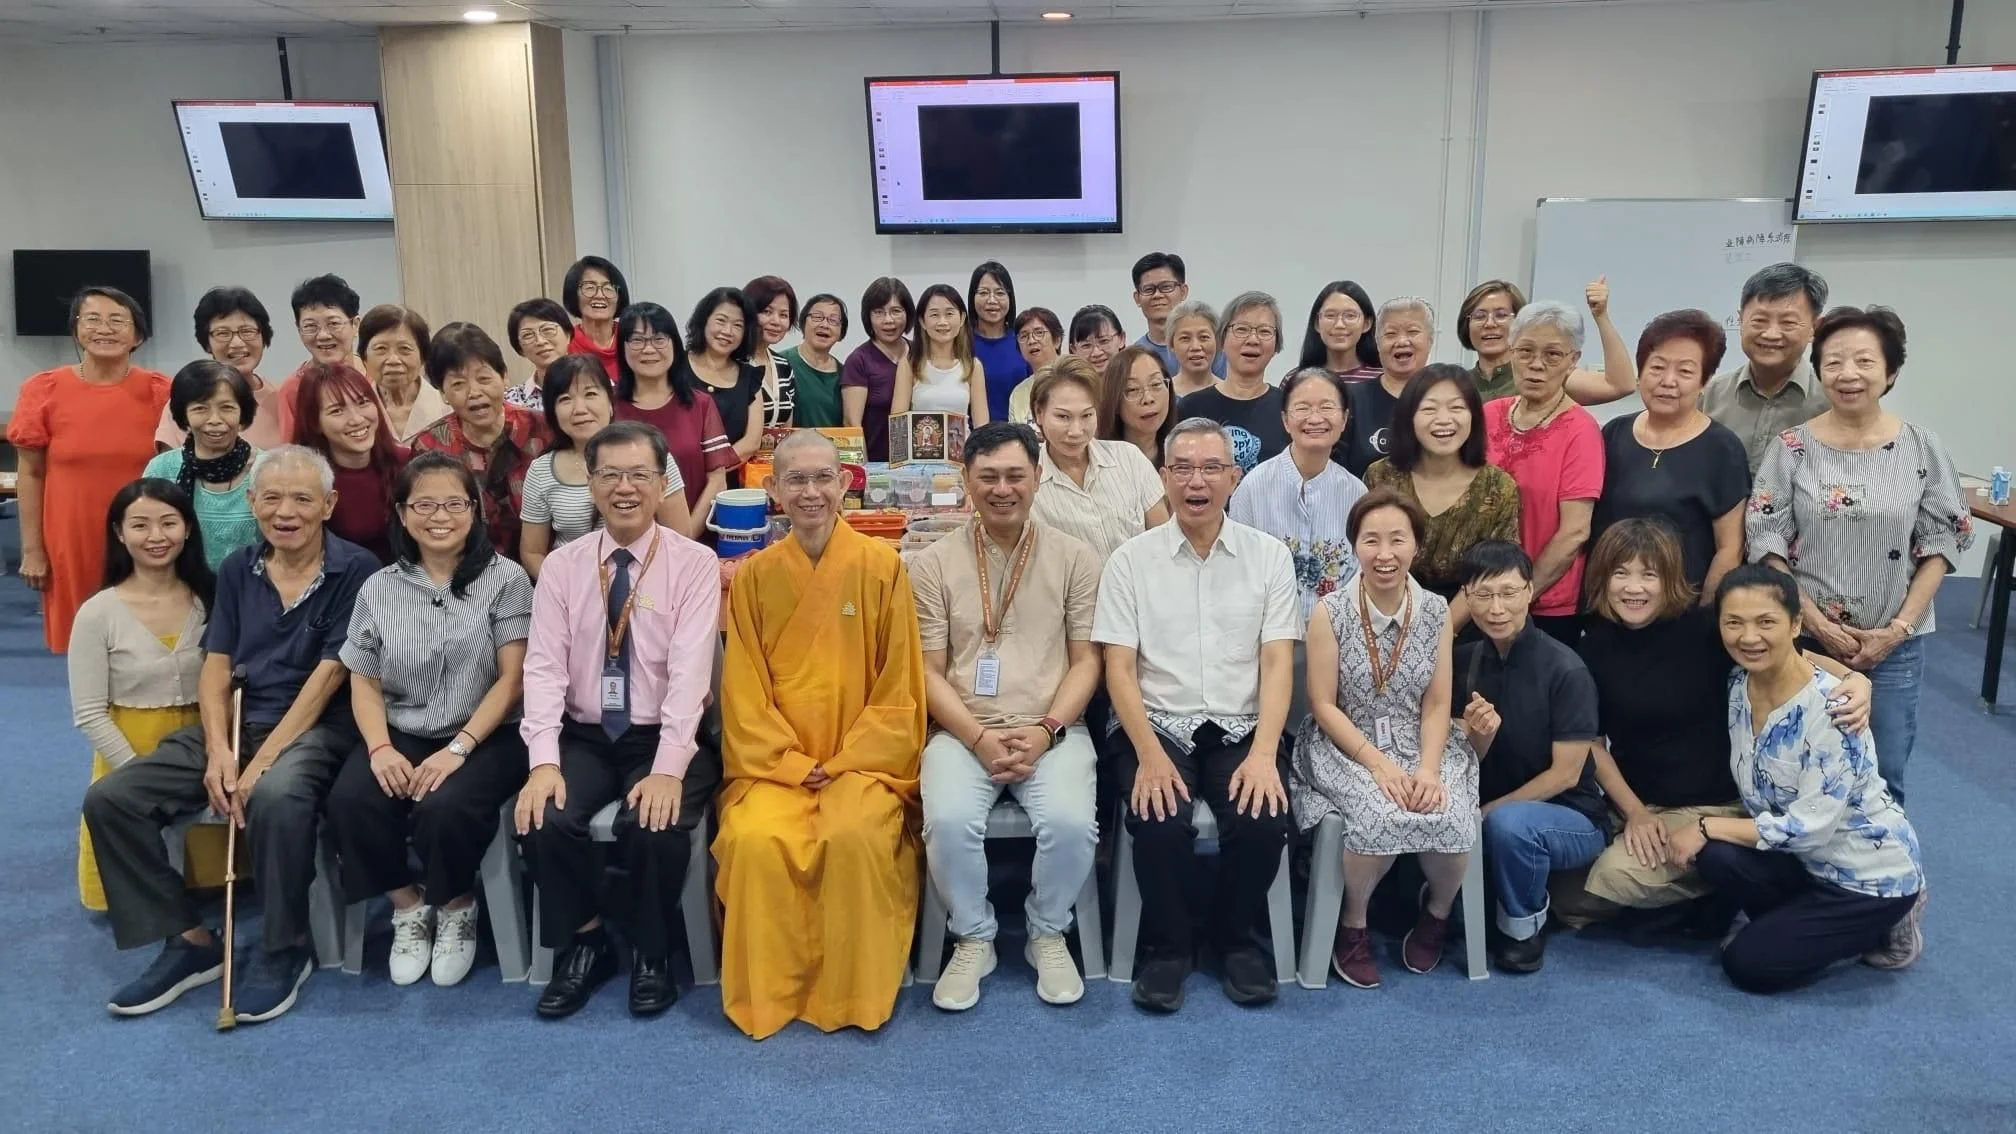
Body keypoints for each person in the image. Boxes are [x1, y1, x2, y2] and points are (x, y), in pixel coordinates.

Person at [82, 445, 378, 1021]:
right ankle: (189, 940)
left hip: (317, 727)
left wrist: (259, 762)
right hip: (239, 719)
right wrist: (218, 749)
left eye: (301, 498)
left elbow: (327, 677)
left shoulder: (358, 570)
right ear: (252, 503)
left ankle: (283, 946)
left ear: (328, 505)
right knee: (112, 799)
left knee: (275, 795)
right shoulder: (240, 568)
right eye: (271, 498)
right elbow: (217, 664)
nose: (285, 511)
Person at [715, 430, 927, 1039]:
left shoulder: (881, 567)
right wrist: (785, 762)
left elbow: (899, 687)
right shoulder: (753, 577)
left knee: (855, 835)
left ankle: (852, 993)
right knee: (755, 839)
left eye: (822, 478)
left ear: (844, 483)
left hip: (860, 765)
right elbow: (743, 692)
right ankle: (772, 994)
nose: (810, 492)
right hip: (775, 767)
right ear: (773, 490)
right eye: (795, 480)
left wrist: (847, 760)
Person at [514, 421, 724, 1019]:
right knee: (543, 817)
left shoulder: (693, 563)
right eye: (609, 474)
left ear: (662, 484)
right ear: (590, 482)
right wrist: (543, 763)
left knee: (653, 825)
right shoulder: (563, 565)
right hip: (584, 733)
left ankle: (653, 952)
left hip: (666, 734)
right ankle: (587, 941)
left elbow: (689, 676)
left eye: (640, 475)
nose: (624, 487)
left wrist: (666, 771)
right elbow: (544, 669)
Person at [1093, 418, 1300, 1012]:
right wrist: (1151, 758)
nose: (1196, 481)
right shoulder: (1131, 561)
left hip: (1242, 723)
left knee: (1262, 817)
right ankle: (1168, 947)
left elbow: (1278, 665)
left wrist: (1264, 754)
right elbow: (1119, 671)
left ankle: (1236, 939)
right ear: (1163, 478)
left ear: (1234, 478)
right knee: (1158, 815)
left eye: (1211, 468)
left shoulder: (1267, 558)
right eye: (1181, 468)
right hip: (1153, 721)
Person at [1573, 521, 1870, 925]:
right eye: (1620, 573)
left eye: (1649, 574)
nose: (1633, 588)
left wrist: (1855, 679)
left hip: (1711, 802)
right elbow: (1592, 742)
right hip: (1638, 802)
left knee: (1612, 878)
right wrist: (1636, 813)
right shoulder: (1594, 646)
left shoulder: (1708, 630)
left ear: (1670, 578)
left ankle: (1726, 882)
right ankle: (1705, 896)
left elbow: (1791, 659)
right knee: (1564, 893)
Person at [911, 423, 1103, 1010]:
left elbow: (1086, 662)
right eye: (988, 476)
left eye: (1016, 475)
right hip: (961, 731)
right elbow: (927, 673)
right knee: (945, 822)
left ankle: (1047, 930)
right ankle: (974, 935)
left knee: (1071, 823)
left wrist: (1046, 731)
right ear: (966, 480)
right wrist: (975, 736)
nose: (1002, 488)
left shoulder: (1076, 557)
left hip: (1053, 727)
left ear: (1038, 479)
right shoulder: (930, 563)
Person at [1666, 564, 1926, 992]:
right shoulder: (1738, 685)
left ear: (1796, 625)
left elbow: (1810, 829)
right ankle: (1802, 924)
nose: (1749, 637)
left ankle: (1891, 919)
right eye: (1734, 623)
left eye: (1766, 622)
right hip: (1807, 865)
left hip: (1865, 877)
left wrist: (1703, 825)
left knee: (1748, 965)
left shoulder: (1834, 711)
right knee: (1718, 857)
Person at [1747, 305, 1972, 800]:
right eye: (1834, 362)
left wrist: (1897, 630)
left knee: (1882, 771)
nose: (1848, 374)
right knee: (1793, 765)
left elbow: (1944, 540)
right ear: (1820, 371)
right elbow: (1765, 537)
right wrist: (1818, 624)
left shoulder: (1922, 447)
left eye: (1865, 362)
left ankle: (1879, 876)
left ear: (1890, 372)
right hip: (1803, 637)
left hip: (1894, 645)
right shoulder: (1792, 447)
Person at [327, 453, 533, 987]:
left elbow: (513, 680)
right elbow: (364, 678)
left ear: (475, 511)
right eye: (423, 504)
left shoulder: (505, 579)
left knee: (444, 807)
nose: (439, 516)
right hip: (403, 727)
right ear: (400, 512)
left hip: (489, 734)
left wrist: (458, 748)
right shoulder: (379, 587)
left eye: (454, 504)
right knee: (353, 798)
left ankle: (458, 904)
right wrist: (379, 748)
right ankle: (407, 906)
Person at [1290, 490, 1477, 987]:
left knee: (1451, 810)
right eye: (1371, 540)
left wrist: (1429, 769)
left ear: (1416, 546)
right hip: (1345, 742)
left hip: (1422, 742)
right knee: (1376, 810)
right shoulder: (1330, 611)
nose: (1385, 553)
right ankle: (1353, 923)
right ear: (1355, 546)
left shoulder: (1436, 610)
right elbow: (1323, 705)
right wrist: (1378, 764)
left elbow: (1438, 703)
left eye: (1398, 539)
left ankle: (1436, 914)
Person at [1451, 540, 1607, 973]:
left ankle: (1523, 927)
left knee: (1509, 825)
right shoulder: (1463, 661)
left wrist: (1484, 812)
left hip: (1571, 814)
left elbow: (1565, 774)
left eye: (1508, 592)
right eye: (1483, 595)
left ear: (1529, 592)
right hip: (1490, 807)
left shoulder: (1565, 669)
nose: (1496, 607)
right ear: (1467, 597)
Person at [69, 480, 220, 912]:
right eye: (140, 525)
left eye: (168, 523)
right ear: (119, 533)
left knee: (210, 885)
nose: (156, 537)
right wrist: (138, 776)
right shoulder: (99, 612)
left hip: (202, 741)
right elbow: (90, 713)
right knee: (136, 883)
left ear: (188, 528)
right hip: (130, 744)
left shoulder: (210, 597)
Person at [9, 285, 171, 653]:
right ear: (76, 329)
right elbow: (30, 475)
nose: (105, 329)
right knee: (82, 648)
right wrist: (33, 550)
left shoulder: (161, 391)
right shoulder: (43, 390)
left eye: (118, 320)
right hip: (71, 538)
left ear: (138, 335)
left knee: (146, 645)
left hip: (145, 537)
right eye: (92, 319)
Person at [1591, 309, 1748, 594]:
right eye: (1657, 367)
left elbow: (1730, 549)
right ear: (1640, 373)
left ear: (1704, 382)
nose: (1668, 381)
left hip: (1683, 613)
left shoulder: (1722, 449)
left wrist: (1705, 616)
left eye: (1685, 371)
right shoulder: (1613, 433)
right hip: (1608, 606)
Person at [1482, 301, 1605, 647]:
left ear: (1573, 360)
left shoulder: (1581, 430)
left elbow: (1575, 531)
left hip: (1547, 603)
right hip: (1483, 595)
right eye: (1525, 351)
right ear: (1510, 352)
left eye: (1553, 355)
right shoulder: (1488, 415)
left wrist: (1521, 593)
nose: (1536, 365)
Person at [1363, 365, 1520, 629]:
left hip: (1469, 623)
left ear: (1474, 417)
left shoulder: (1498, 487)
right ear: (1409, 418)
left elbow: (1492, 572)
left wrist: (1441, 631)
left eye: (1457, 408)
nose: (1444, 419)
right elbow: (1367, 554)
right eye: (1429, 409)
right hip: (1386, 615)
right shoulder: (1381, 477)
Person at [522, 355, 695, 578]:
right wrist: (567, 590)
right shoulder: (541, 470)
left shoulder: (651, 455)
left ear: (610, 402)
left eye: (591, 394)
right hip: (573, 590)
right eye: (565, 399)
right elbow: (532, 552)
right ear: (552, 412)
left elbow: (680, 536)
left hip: (650, 583)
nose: (579, 409)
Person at [1229, 367, 1368, 619]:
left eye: (1327, 407)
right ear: (1285, 420)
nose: (1315, 418)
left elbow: (1360, 576)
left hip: (1335, 638)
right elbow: (1235, 571)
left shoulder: (1356, 493)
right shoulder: (1253, 487)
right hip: (1265, 636)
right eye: (1303, 408)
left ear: (1344, 419)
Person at [410, 322, 552, 561]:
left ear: (504, 376)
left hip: (543, 568)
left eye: (484, 378)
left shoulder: (543, 431)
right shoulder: (430, 445)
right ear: (443, 393)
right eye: (458, 384)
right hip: (464, 571)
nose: (474, 392)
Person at [1030, 357, 1169, 562]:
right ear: (1039, 413)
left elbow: (1164, 539)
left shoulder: (1129, 458)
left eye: (1086, 416)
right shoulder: (1028, 484)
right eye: (1063, 417)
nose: (1076, 431)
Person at [1700, 263, 1833, 474]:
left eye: (1788, 323)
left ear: (1814, 328)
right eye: (1759, 320)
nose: (1771, 334)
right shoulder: (1709, 395)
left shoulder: (1831, 402)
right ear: (1741, 319)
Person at [613, 302, 737, 524]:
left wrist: (686, 534)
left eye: (659, 339)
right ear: (622, 348)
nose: (649, 349)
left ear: (674, 344)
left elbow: (717, 480)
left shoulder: (700, 404)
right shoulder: (609, 406)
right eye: (637, 340)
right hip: (627, 536)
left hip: (694, 540)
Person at [143, 360, 262, 570]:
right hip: (180, 589)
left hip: (250, 591)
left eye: (227, 408)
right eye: (200, 409)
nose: (214, 419)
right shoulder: (161, 470)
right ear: (184, 416)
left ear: (242, 414)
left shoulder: (266, 470)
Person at [289, 362, 402, 564]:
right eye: (337, 411)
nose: (357, 419)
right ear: (315, 423)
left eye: (362, 403)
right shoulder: (305, 480)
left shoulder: (408, 463)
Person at [1455, 278, 1635, 403]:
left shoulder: (1544, 375)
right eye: (1479, 316)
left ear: (1521, 321)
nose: (1490, 324)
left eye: (1501, 315)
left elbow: (1620, 385)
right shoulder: (1458, 384)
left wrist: (1601, 316)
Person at [159, 286, 292, 450]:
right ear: (207, 343)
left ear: (264, 337)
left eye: (247, 331)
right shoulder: (188, 400)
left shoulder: (282, 398)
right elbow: (169, 469)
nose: (237, 343)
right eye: (222, 333)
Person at [1174, 292, 1290, 472]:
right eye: (1242, 329)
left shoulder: (1288, 407)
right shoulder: (1190, 407)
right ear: (1222, 339)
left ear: (1276, 345)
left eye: (1264, 331)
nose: (1253, 340)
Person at [1338, 297, 1432, 477]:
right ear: (1377, 342)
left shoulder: (1445, 399)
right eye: (1390, 334)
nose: (1402, 341)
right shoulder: (1350, 398)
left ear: (1430, 339)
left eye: (1412, 332)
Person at [683, 287, 769, 466]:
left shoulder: (750, 377)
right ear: (704, 321)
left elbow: (751, 443)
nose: (728, 331)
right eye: (721, 321)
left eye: (738, 325)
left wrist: (713, 473)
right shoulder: (675, 367)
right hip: (680, 482)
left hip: (731, 487)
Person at [894, 284, 990, 425]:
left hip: (964, 446)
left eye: (949, 314)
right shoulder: (909, 364)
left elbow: (982, 427)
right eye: (934, 315)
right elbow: (897, 425)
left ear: (962, 318)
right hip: (920, 446)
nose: (942, 322)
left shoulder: (973, 366)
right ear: (922, 321)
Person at [843, 277, 915, 461]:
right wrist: (865, 473)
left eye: (896, 311)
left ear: (908, 314)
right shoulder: (859, 360)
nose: (888, 320)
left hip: (922, 466)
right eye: (879, 312)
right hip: (877, 467)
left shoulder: (921, 354)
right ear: (868, 317)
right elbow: (852, 424)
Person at [358, 304, 449, 444]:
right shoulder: (354, 411)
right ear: (364, 358)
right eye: (381, 349)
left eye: (404, 349)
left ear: (423, 357)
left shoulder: (447, 406)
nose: (393, 360)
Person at [1130, 252, 1223, 379]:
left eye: (1166, 287)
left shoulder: (1211, 347)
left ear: (1183, 291)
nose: (1157, 295)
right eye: (1148, 289)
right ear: (1137, 298)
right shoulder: (1134, 355)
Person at [968, 261, 1030, 423]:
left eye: (1000, 293)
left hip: (1018, 437)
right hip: (972, 439)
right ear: (972, 297)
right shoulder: (960, 342)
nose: (992, 300)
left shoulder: (1023, 340)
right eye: (983, 293)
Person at [1099, 346, 1175, 470]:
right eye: (1133, 389)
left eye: (1156, 384)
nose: (1148, 399)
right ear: (1115, 402)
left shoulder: (1183, 456)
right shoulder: (1101, 463)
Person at [1296, 281, 1382, 384]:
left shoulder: (1383, 378)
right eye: (1330, 315)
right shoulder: (1296, 379)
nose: (1339, 325)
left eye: (1350, 316)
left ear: (1366, 324)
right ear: (1317, 324)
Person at [782, 294, 848, 429]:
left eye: (833, 320)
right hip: (790, 448)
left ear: (841, 332)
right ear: (803, 323)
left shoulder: (846, 375)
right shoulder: (781, 363)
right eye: (817, 317)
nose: (824, 324)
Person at [562, 255, 630, 380]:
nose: (600, 295)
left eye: (608, 288)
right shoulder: (564, 343)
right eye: (590, 287)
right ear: (573, 294)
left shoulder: (632, 338)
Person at [744, 275, 798, 429]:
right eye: (767, 312)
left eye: (784, 315)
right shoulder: (734, 363)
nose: (776, 321)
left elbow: (786, 428)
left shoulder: (784, 366)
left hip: (779, 452)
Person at [504, 297, 574, 410]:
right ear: (520, 348)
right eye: (528, 335)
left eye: (547, 330)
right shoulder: (511, 402)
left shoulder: (599, 387)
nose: (540, 341)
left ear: (568, 335)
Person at [290, 274, 364, 377]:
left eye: (333, 323)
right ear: (299, 330)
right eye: (310, 326)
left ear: (355, 325)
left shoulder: (380, 379)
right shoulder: (294, 390)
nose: (323, 336)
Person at [1164, 300, 1221, 402]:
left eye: (1204, 337)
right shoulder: (1162, 395)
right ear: (1172, 344)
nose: (1195, 347)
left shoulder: (1230, 395)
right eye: (1185, 338)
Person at [1068, 304, 1128, 376]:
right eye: (1086, 345)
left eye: (1104, 341)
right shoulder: (1067, 386)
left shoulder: (1137, 378)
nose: (1096, 353)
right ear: (1074, 349)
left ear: (1121, 339)